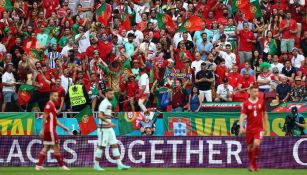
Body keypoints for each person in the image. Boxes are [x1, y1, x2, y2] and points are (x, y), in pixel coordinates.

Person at [94, 88, 131, 171]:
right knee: (101, 146)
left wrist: (112, 117)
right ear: (106, 94)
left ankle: (119, 164)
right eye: (110, 94)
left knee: (114, 144)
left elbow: (106, 115)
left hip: (109, 128)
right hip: (103, 129)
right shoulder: (104, 103)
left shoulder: (108, 103)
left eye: (113, 94)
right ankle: (96, 165)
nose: (112, 95)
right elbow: (100, 116)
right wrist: (109, 122)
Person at [35, 91, 70, 171]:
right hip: (50, 130)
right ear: (51, 96)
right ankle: (62, 166)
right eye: (55, 96)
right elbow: (44, 117)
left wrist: (63, 127)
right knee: (56, 148)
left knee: (46, 147)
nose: (57, 97)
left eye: (57, 96)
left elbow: (54, 120)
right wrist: (42, 129)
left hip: (49, 129)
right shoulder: (49, 105)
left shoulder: (52, 105)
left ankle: (38, 165)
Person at [239, 85, 269, 172]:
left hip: (259, 128)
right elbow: (242, 116)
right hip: (249, 129)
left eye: (257, 91)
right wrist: (241, 127)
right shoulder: (245, 103)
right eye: (255, 91)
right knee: (250, 148)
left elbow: (265, 114)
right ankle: (254, 165)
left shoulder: (261, 101)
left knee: (256, 144)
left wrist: (266, 126)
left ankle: (252, 165)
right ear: (250, 92)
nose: (257, 93)